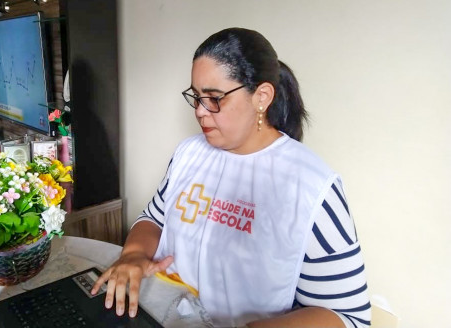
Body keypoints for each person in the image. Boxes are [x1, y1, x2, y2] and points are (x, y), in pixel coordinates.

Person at [92, 28, 371, 327]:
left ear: (261, 97)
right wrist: (133, 254)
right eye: (196, 96)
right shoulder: (189, 153)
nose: (200, 111)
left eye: (214, 98)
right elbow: (154, 218)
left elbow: (348, 317)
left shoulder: (311, 185)